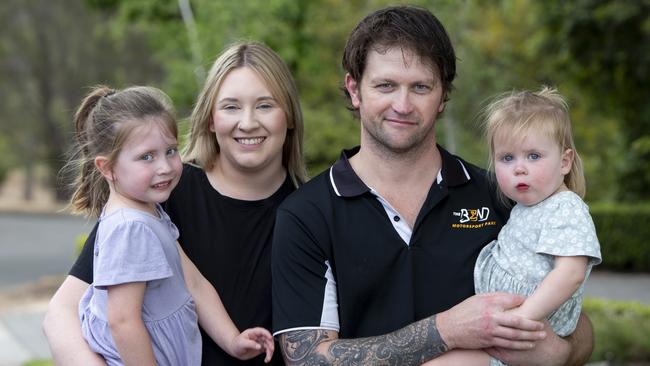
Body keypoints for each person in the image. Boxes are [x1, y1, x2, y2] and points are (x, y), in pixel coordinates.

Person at [271, 6, 594, 365]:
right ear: (355, 89)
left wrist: (561, 353)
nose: (403, 104)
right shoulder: (306, 214)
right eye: (386, 85)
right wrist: (445, 330)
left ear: (443, 96)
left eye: (421, 87)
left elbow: (574, 321)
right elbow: (306, 360)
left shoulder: (502, 193)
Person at [43, 42, 307, 365]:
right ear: (210, 119)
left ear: (289, 115)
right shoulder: (159, 194)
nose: (248, 122)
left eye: (265, 105)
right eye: (231, 107)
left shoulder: (313, 212)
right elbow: (63, 313)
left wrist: (234, 340)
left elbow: (195, 283)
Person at [64, 85, 274, 365]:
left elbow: (194, 283)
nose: (165, 166)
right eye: (146, 156)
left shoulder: (150, 213)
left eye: (171, 151)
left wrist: (233, 340)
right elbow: (123, 322)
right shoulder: (129, 228)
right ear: (107, 168)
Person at [422, 88, 602, 365]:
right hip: (499, 331)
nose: (519, 168)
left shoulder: (565, 208)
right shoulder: (525, 207)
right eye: (507, 158)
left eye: (533, 156)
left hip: (520, 334)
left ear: (564, 162)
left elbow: (570, 274)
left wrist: (519, 319)